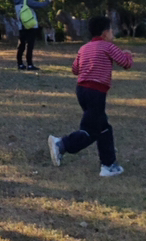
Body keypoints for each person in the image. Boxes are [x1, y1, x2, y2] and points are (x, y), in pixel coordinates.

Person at [48, 15, 132, 178]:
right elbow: (125, 63)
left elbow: (75, 69)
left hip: (81, 91)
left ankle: (109, 163)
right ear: (105, 33)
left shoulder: (84, 48)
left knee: (103, 127)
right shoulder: (108, 46)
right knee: (92, 130)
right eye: (111, 30)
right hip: (96, 92)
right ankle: (62, 144)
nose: (113, 33)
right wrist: (128, 55)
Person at [14, 0, 51, 71]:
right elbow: (39, 5)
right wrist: (48, 0)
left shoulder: (16, 1)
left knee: (21, 45)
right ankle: (30, 64)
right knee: (30, 45)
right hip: (30, 25)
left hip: (21, 25)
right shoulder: (26, 0)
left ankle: (20, 64)